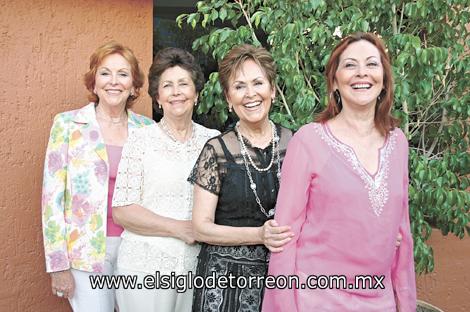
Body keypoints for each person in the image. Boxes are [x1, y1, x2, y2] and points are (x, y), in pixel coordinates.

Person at [262, 32, 416, 311]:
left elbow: (401, 231)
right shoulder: (309, 141)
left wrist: (405, 303)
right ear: (334, 81)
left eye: (371, 64)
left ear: (384, 79)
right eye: (349, 65)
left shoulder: (398, 143)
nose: (361, 73)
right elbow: (285, 238)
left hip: (379, 301)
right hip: (317, 299)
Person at [41, 41, 154, 311]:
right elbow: (51, 199)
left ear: (134, 85)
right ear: (94, 82)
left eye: (123, 74)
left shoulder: (147, 129)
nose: (113, 81)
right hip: (85, 252)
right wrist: (58, 265)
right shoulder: (68, 125)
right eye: (105, 73)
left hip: (139, 247)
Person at [111, 47, 219, 312]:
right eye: (167, 85)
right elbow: (122, 210)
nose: (176, 92)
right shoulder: (140, 140)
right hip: (143, 267)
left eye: (184, 84)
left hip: (197, 267)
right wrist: (178, 228)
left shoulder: (213, 141)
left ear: (196, 93)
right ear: (157, 97)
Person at [188, 44, 294, 312]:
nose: (250, 94)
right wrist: (259, 234)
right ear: (228, 97)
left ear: (272, 89)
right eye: (239, 86)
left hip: (283, 279)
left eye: (258, 83)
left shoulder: (296, 143)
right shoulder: (216, 151)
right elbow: (201, 227)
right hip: (222, 285)